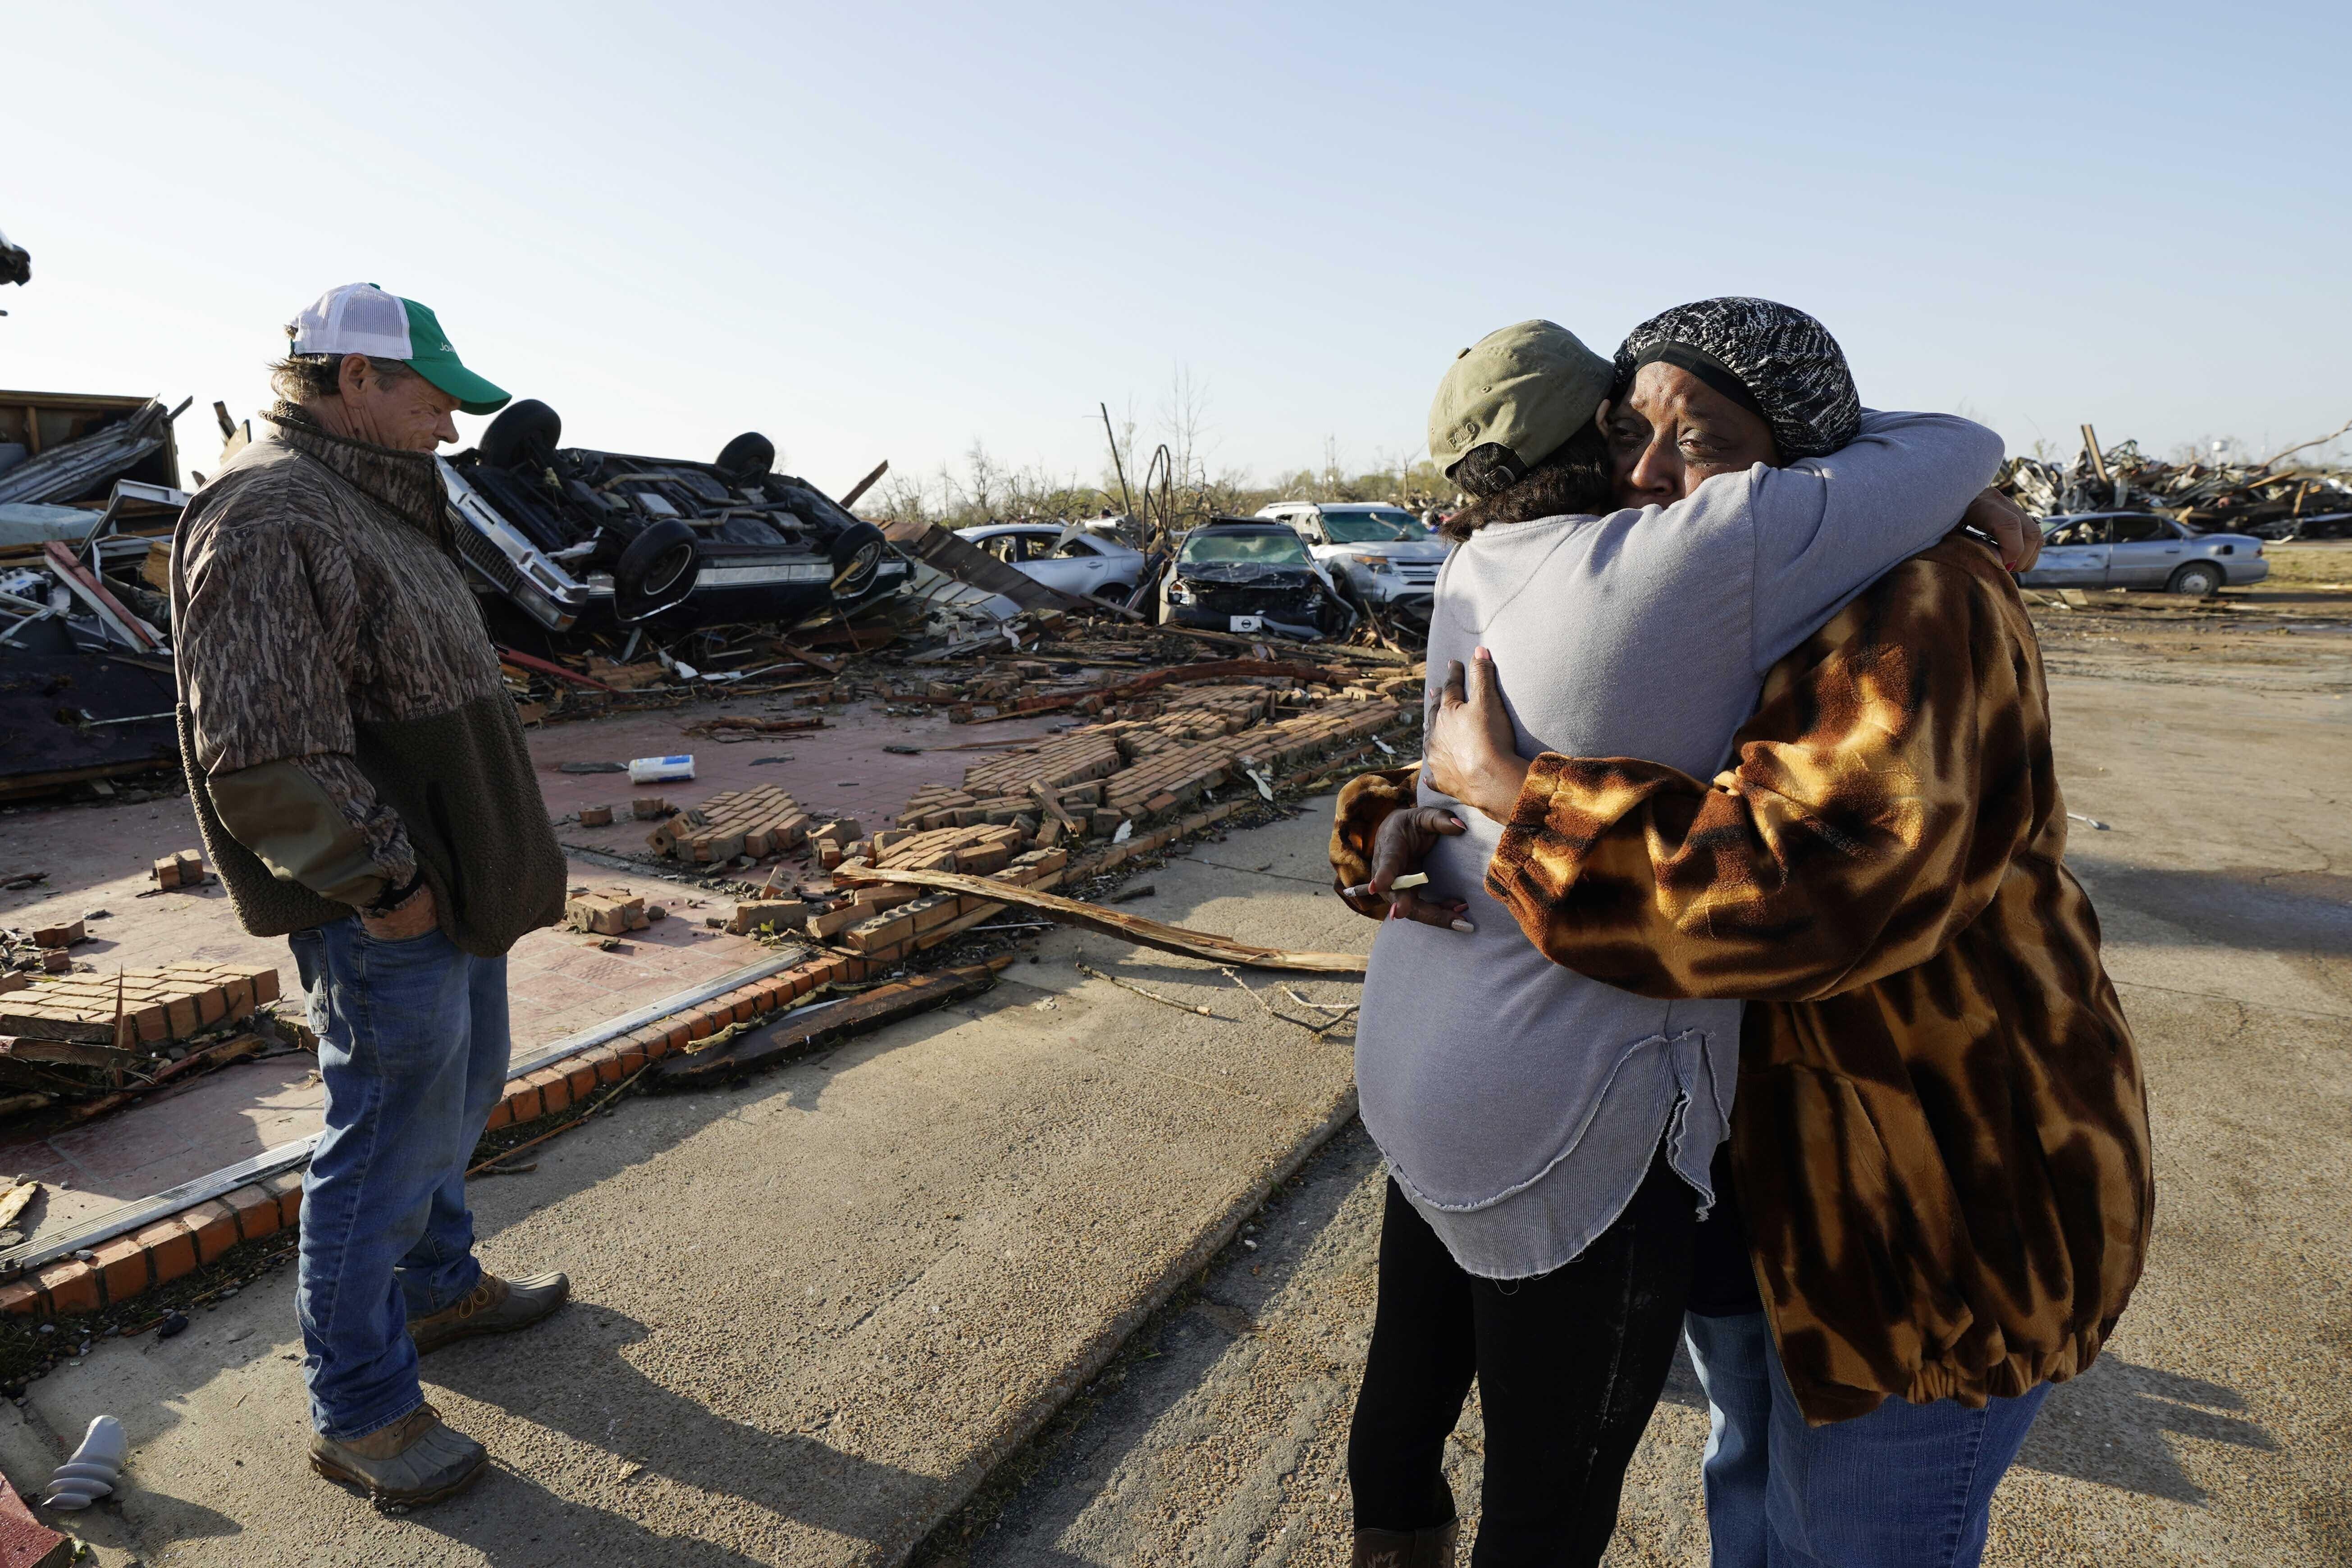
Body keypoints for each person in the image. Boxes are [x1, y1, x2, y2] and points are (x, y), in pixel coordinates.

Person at [1336, 301, 2149, 1568]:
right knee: (1753, 1501)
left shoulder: (1923, 600)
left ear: (1803, 457)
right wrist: (1409, 823)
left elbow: (1808, 896)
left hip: (1920, 1202)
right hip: (1755, 1183)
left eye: (1701, 445)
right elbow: (1619, 738)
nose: (1649, 477)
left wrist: (1517, 803)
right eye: (1628, 433)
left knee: (1849, 1540)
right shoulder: (1683, 559)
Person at [172, 283, 573, 1505]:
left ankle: (438, 1289)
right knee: (383, 1149)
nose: (451, 430)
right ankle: (361, 1412)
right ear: (356, 380)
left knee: (454, 1101)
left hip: (456, 890)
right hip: (392, 901)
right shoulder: (270, 511)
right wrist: (384, 883)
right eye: (434, 401)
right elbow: (263, 748)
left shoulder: (371, 497)